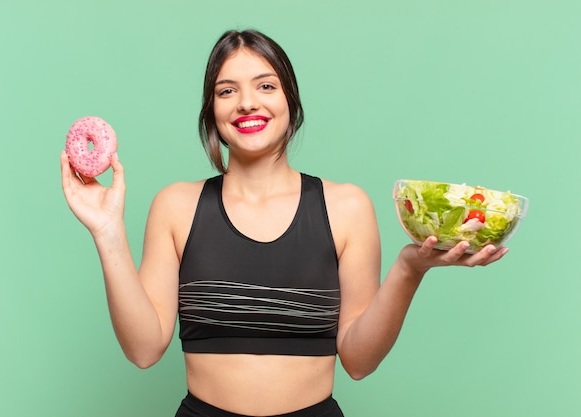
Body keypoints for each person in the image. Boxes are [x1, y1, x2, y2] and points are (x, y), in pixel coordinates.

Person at [60, 29, 507, 417]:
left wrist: (410, 269)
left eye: (265, 85)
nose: (247, 102)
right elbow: (143, 350)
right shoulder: (176, 205)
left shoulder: (346, 207)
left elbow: (358, 360)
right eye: (227, 90)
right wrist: (107, 231)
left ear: (290, 99)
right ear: (211, 112)